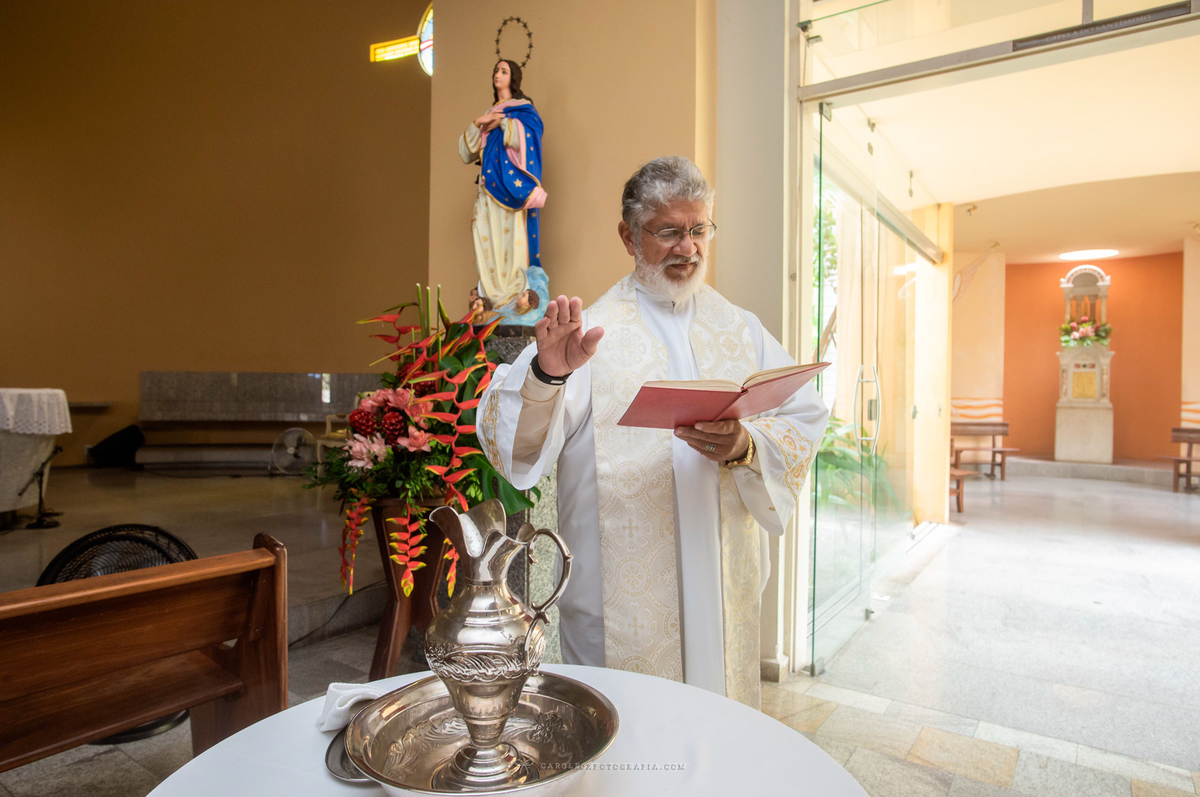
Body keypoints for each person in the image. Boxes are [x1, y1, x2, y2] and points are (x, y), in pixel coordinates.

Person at [477, 157, 829, 709]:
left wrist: (746, 445)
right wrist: (547, 374)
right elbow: (514, 447)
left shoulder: (741, 328)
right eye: (668, 231)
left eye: (699, 229)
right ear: (628, 236)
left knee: (719, 724)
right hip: (620, 604)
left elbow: (803, 415)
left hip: (722, 587)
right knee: (630, 735)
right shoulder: (589, 337)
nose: (688, 248)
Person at [459, 59, 547, 312]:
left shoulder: (522, 109)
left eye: (504, 71)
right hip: (487, 186)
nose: (498, 74)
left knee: (510, 237)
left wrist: (505, 124)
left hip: (509, 187)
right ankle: (491, 297)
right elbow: (467, 152)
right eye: (496, 70)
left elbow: (533, 133)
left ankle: (512, 297)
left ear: (513, 78)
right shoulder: (489, 113)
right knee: (485, 237)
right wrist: (478, 122)